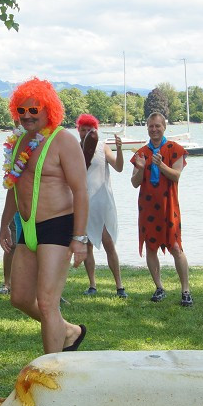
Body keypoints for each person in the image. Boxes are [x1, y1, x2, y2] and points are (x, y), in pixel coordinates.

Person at [0, 78, 89, 354]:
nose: (26, 116)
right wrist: (4, 224)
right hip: (27, 227)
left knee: (48, 302)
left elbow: (81, 191)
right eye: (21, 111)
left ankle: (53, 374)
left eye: (33, 110)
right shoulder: (19, 142)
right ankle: (70, 331)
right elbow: (14, 186)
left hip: (57, 226)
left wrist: (80, 238)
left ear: (48, 109)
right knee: (20, 297)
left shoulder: (64, 141)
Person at [131, 112, 192, 305]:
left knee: (175, 246)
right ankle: (159, 287)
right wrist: (140, 168)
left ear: (164, 127)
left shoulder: (175, 149)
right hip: (148, 206)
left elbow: (176, 175)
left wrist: (161, 165)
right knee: (151, 247)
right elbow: (134, 183)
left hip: (169, 205)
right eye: (151, 126)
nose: (154, 129)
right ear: (147, 128)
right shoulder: (141, 152)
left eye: (158, 126)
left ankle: (186, 290)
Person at [76, 113, 127, 297]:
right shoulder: (74, 149)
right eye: (83, 129)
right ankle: (92, 285)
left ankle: (119, 286)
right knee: (87, 244)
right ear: (78, 130)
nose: (86, 132)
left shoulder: (103, 148)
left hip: (103, 201)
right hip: (84, 202)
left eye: (90, 129)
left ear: (95, 130)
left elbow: (119, 167)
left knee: (108, 242)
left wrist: (119, 150)